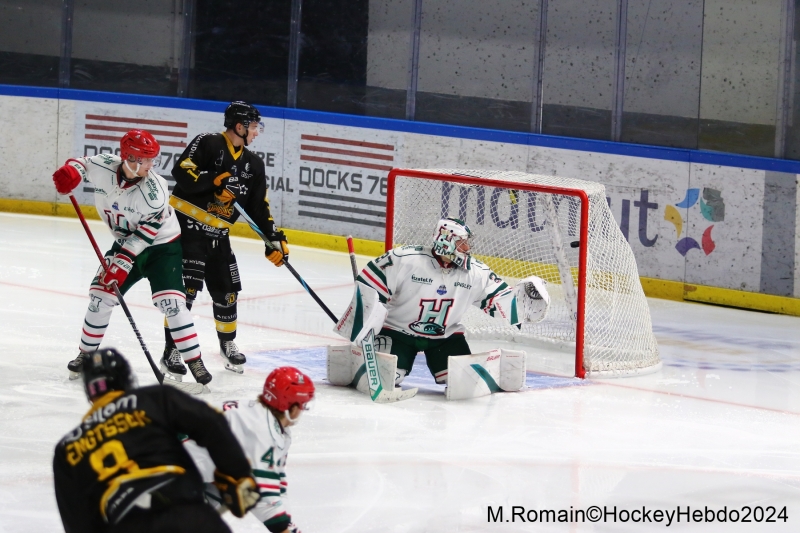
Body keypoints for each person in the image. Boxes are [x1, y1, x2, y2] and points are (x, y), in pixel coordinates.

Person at [52, 130, 212, 386]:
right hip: (126, 242)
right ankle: (85, 355)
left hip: (162, 247)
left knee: (172, 304)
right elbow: (81, 165)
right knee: (101, 297)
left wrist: (123, 263)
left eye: (152, 160)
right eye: (146, 160)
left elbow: (147, 232)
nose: (151, 166)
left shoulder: (155, 190)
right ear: (129, 158)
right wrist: (70, 173)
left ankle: (194, 361)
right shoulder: (104, 165)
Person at [52, 348, 260, 533]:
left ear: (89, 393)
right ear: (127, 380)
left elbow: (77, 523)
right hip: (184, 513)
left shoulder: (67, 447)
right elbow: (211, 423)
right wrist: (238, 474)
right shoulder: (152, 398)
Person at [165, 101, 288, 376]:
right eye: (254, 127)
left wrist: (273, 239)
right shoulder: (207, 143)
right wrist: (213, 180)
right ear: (239, 126)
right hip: (188, 231)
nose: (257, 132)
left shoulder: (253, 165)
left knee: (227, 292)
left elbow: (258, 207)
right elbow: (182, 171)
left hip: (219, 237)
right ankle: (172, 349)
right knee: (186, 293)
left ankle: (227, 344)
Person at [353, 217, 550, 386]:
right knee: (387, 377)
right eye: (462, 243)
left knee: (463, 382)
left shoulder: (475, 272)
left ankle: (486, 369)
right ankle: (359, 363)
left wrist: (524, 303)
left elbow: (499, 301)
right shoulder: (404, 259)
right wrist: (364, 322)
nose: (467, 248)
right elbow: (368, 289)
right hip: (398, 333)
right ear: (446, 241)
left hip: (445, 338)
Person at [184, 366, 315, 533]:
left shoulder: (271, 425)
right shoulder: (261, 432)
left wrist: (288, 527)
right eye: (303, 404)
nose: (303, 409)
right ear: (292, 407)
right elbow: (262, 496)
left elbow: (276, 485)